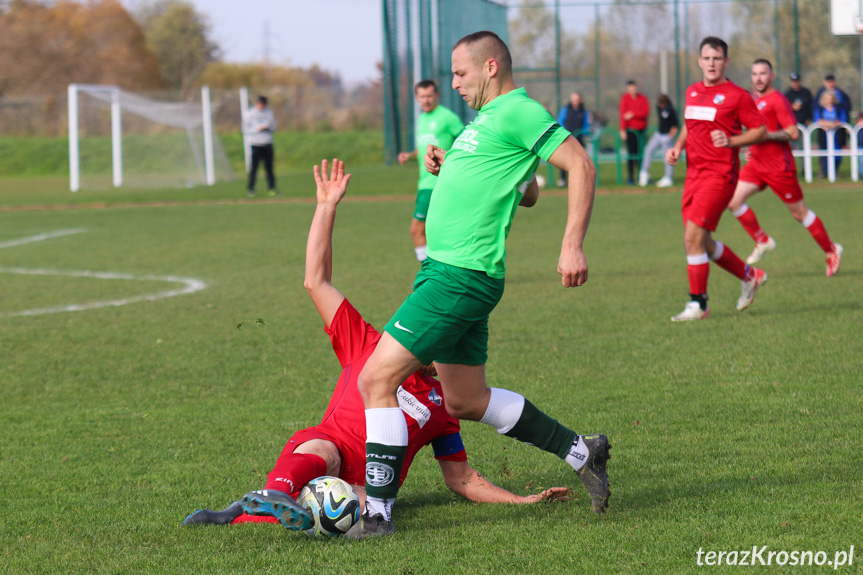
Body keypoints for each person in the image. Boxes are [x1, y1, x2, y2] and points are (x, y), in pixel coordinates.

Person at [182, 159, 571, 529]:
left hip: (367, 490)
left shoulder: (446, 403)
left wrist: (522, 500)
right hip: (325, 452)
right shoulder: (366, 343)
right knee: (322, 452)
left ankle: (265, 507)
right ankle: (260, 501)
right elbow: (316, 281)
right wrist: (326, 206)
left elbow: (462, 478)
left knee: (348, 511)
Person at [347, 31, 609, 541]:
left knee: (376, 380)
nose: (454, 84)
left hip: (458, 276)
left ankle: (376, 514)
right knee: (464, 400)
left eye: (460, 73)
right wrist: (457, 165)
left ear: (491, 66)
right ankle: (583, 451)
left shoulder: (517, 110)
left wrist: (572, 244)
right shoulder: (488, 120)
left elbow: (580, 164)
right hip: (454, 273)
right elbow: (527, 189)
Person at [665, 37, 769, 322]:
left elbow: (760, 130)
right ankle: (751, 275)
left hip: (720, 176)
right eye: (707, 58)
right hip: (693, 176)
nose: (712, 63)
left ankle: (698, 303)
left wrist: (732, 140)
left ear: (726, 62)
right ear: (699, 61)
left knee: (692, 238)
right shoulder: (692, 92)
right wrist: (677, 146)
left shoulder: (737, 95)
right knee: (702, 242)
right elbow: (690, 123)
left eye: (717, 58)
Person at [728, 59, 843, 278]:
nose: (758, 78)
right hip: (756, 166)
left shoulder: (777, 100)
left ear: (771, 76)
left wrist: (766, 136)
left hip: (779, 167)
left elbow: (793, 133)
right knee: (732, 201)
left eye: (763, 74)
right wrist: (750, 146)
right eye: (754, 74)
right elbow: (754, 130)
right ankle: (762, 240)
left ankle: (831, 250)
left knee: (799, 213)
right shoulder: (752, 100)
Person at [398, 81, 464, 262]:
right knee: (439, 232)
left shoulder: (447, 117)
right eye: (422, 96)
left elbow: (466, 142)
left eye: (429, 96)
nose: (425, 100)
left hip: (438, 183)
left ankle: (429, 275)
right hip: (424, 183)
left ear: (437, 96)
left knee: (417, 229)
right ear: (416, 98)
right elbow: (424, 147)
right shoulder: (422, 118)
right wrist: (410, 155)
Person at [812, 75, 851, 177]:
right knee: (823, 152)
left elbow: (842, 119)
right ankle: (824, 171)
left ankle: (835, 171)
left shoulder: (839, 107)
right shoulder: (820, 108)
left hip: (837, 134)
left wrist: (834, 124)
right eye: (827, 98)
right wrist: (829, 124)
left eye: (831, 98)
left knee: (837, 153)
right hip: (823, 133)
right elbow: (817, 119)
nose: (829, 100)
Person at [638, 93, 679, 187]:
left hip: (667, 136)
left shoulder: (670, 110)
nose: (660, 105)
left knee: (667, 157)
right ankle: (644, 173)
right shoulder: (658, 107)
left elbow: (675, 126)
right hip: (659, 134)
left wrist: (669, 137)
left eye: (662, 103)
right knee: (648, 150)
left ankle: (668, 178)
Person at [246, 95, 279, 197]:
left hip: (267, 143)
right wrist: (257, 129)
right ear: (257, 103)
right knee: (254, 168)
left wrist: (267, 128)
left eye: (263, 105)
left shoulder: (269, 113)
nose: (261, 106)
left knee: (269, 168)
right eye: (260, 104)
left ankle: (272, 188)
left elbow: (274, 126)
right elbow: (245, 129)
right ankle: (251, 189)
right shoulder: (250, 113)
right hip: (255, 144)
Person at [619, 80, 650, 185]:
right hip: (631, 131)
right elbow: (623, 115)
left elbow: (645, 112)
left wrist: (633, 114)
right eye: (630, 90)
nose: (632, 91)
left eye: (634, 89)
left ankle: (642, 176)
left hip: (641, 131)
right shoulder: (625, 99)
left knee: (642, 154)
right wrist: (622, 130)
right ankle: (631, 177)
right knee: (631, 155)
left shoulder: (643, 98)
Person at [557, 91, 591, 186]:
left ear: (580, 100)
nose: (574, 102)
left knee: (580, 160)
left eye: (576, 100)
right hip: (566, 139)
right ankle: (563, 180)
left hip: (579, 139)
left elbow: (586, 125)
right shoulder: (565, 110)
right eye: (573, 100)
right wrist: (564, 134)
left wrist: (584, 133)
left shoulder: (584, 112)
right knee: (564, 160)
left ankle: (580, 180)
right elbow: (560, 122)